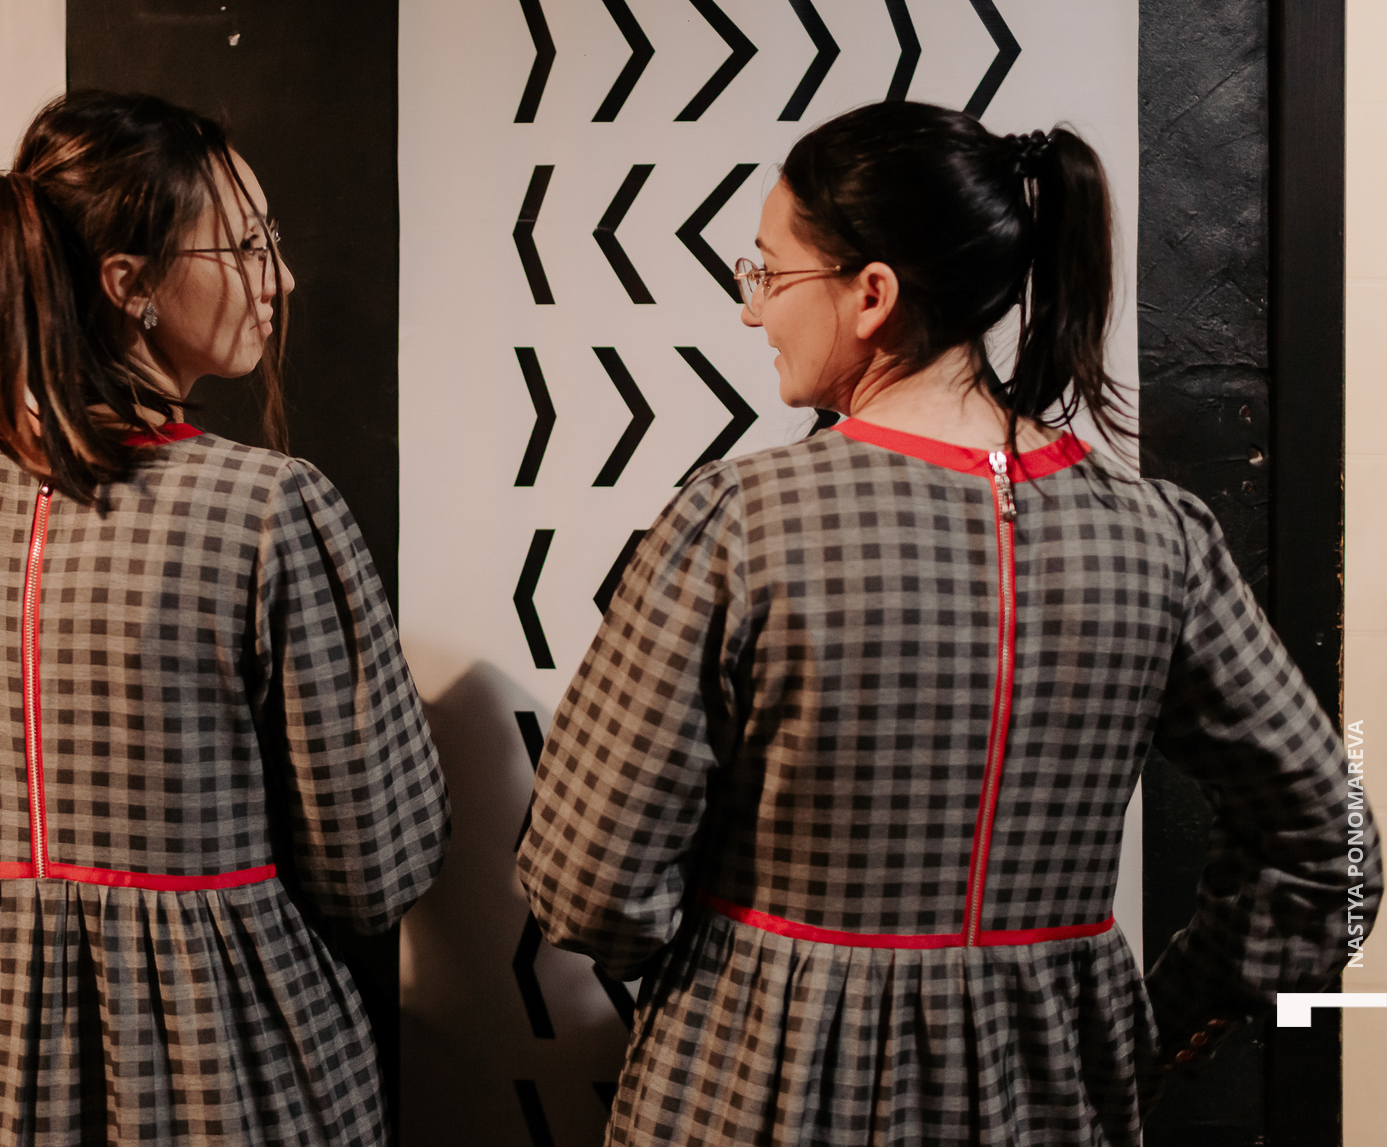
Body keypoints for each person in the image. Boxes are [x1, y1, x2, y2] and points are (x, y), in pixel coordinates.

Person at [516, 100, 1376, 1145]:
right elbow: (1330, 846)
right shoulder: (1162, 538)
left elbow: (588, 887)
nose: (754, 312)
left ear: (871, 294)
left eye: (769, 274)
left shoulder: (740, 523)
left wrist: (726, 961)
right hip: (1055, 1088)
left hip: (760, 1082)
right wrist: (1162, 1011)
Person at [0, 91, 449, 1145]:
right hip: (234, 1066)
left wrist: (6, 929)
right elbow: (373, 863)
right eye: (245, 245)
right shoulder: (268, 511)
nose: (280, 277)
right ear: (131, 284)